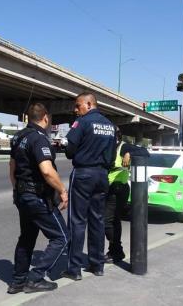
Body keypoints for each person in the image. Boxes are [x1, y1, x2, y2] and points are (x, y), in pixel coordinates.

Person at [8, 103, 69, 294]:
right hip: (37, 197)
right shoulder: (40, 138)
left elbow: (12, 167)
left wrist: (19, 191)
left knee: (27, 238)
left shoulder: (19, 137)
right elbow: (47, 171)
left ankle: (18, 281)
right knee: (61, 237)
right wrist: (62, 191)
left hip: (22, 195)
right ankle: (35, 278)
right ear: (45, 118)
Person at [61, 92, 116, 281]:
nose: (75, 110)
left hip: (84, 174)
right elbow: (111, 155)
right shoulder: (110, 125)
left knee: (77, 221)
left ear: (89, 104)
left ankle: (74, 269)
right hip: (102, 175)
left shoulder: (82, 122)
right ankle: (97, 264)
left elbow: (69, 149)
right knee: (97, 220)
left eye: (78, 106)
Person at [104, 127, 149, 263]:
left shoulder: (123, 147)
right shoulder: (106, 146)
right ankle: (115, 251)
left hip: (118, 189)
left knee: (108, 221)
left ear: (116, 136)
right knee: (112, 221)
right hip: (107, 189)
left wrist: (129, 153)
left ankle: (117, 251)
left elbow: (145, 152)